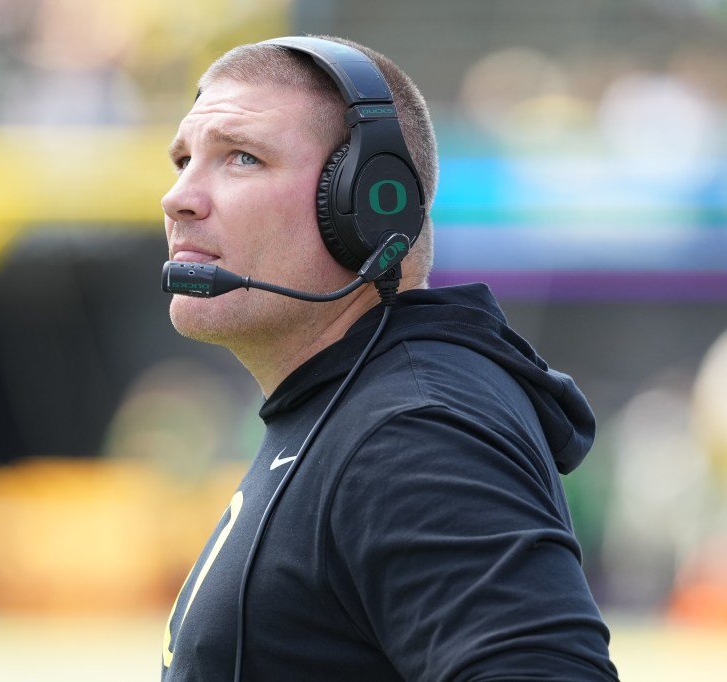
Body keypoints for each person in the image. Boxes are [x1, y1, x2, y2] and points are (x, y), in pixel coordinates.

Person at [159, 35, 618, 681]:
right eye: (183, 159)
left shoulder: (413, 429)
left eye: (242, 157)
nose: (178, 197)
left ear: (370, 201)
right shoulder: (353, 409)